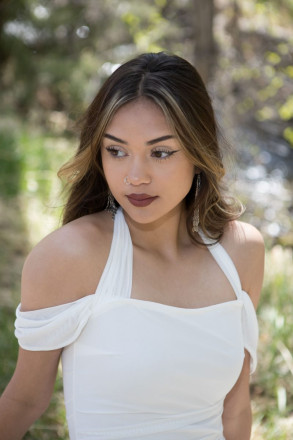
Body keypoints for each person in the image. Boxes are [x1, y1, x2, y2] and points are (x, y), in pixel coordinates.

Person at [0, 52, 264, 440]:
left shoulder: (240, 251)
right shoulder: (70, 256)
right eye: (117, 151)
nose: (135, 177)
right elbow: (24, 400)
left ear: (198, 151)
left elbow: (236, 409)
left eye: (160, 152)